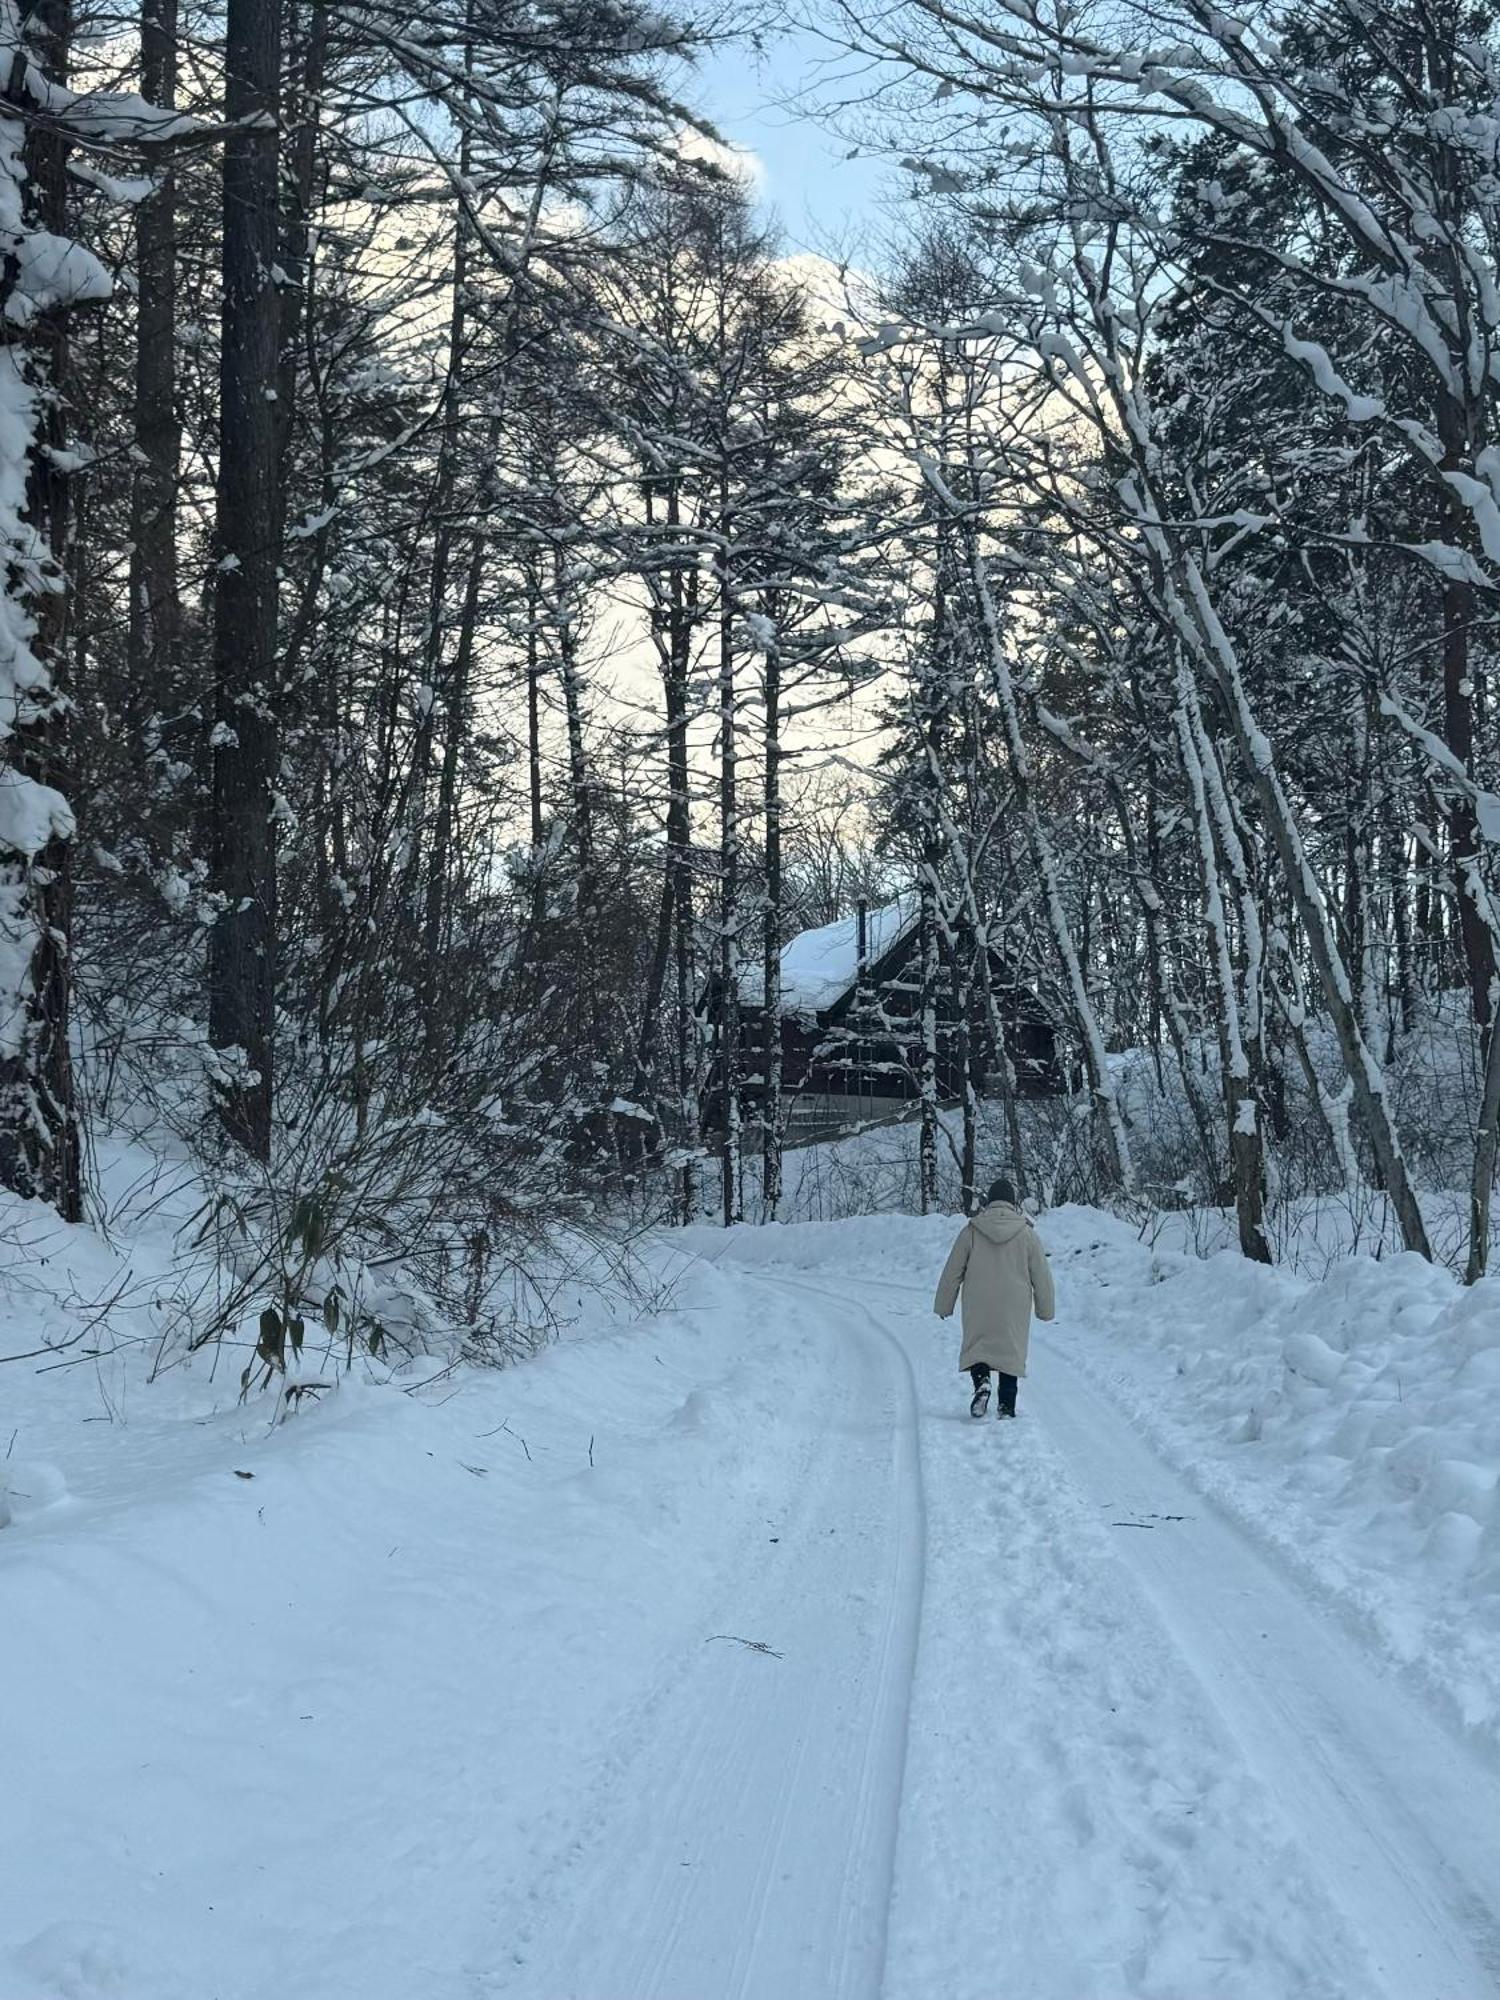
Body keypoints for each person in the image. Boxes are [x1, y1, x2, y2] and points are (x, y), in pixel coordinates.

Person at [933, 1177, 1055, 1419]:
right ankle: (1006, 1407)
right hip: (1014, 1303)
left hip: (979, 1301)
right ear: (1013, 1203)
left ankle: (982, 1382)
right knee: (1011, 1352)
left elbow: (952, 1271)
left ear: (989, 1202)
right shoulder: (1027, 1234)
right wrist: (1045, 1310)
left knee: (978, 1347)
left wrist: (944, 1305)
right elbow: (1042, 1275)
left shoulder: (971, 1231)